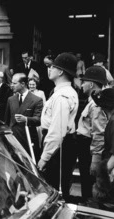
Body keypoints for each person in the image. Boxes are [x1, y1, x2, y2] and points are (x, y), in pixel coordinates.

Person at [37, 53, 79, 201]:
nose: (49, 70)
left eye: (51, 67)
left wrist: (44, 157)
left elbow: (57, 132)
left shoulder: (63, 96)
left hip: (58, 149)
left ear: (60, 71)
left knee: (55, 193)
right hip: (59, 146)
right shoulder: (62, 93)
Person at [75, 66, 108, 201]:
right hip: (86, 146)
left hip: (89, 149)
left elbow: (99, 133)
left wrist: (95, 159)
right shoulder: (92, 101)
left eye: (84, 82)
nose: (82, 85)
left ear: (91, 84)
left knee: (88, 187)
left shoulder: (96, 104)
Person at [4, 73, 43, 161]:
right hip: (13, 139)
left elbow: (38, 120)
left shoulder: (36, 100)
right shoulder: (11, 99)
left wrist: (26, 119)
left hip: (28, 139)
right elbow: (6, 121)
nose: (11, 85)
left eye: (14, 83)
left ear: (23, 84)